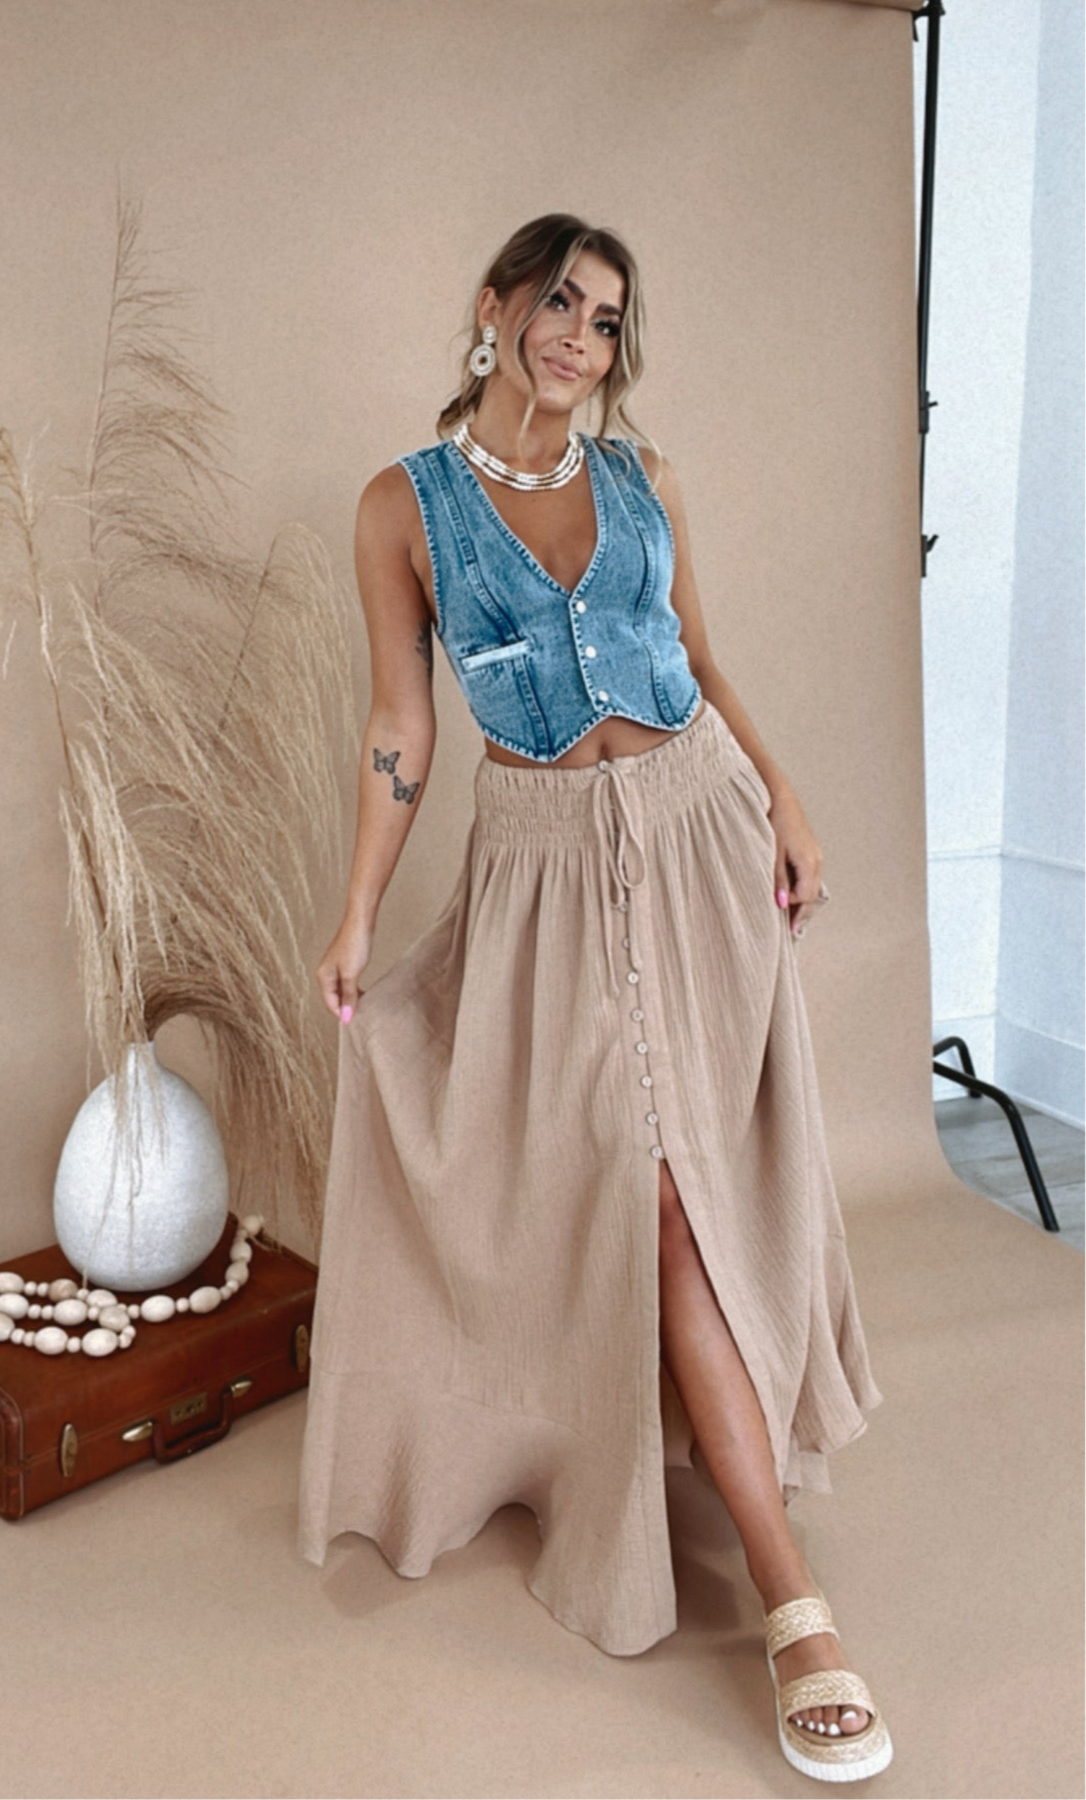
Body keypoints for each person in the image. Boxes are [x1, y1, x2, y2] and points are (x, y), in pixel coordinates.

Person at [297, 213, 892, 1783]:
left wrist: (783, 797)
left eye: (608, 319)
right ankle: (768, 1582)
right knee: (642, 1190)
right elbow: (402, 724)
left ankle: (786, 1601)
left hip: (698, 840)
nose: (578, 336)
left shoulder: (644, 482)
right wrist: (357, 914)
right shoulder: (403, 508)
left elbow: (697, 656)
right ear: (494, 306)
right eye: (559, 300)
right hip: (545, 873)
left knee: (694, 1190)